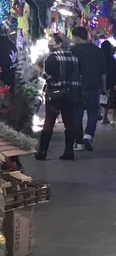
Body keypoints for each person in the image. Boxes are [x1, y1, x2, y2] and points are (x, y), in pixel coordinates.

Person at [32, 33, 81, 161]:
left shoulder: (52, 58)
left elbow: (50, 78)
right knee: (69, 122)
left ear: (59, 44)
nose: (50, 43)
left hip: (55, 95)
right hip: (70, 94)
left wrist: (39, 70)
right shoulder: (74, 58)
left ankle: (42, 152)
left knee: (49, 122)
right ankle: (69, 151)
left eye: (52, 41)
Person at [70, 26, 105, 152]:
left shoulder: (73, 50)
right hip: (93, 86)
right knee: (93, 113)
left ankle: (78, 142)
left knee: (77, 114)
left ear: (78, 38)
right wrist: (104, 88)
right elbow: (103, 71)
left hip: (77, 86)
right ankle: (88, 135)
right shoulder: (97, 50)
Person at [100, 40, 116, 125]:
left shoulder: (100, 59)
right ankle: (114, 118)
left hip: (103, 82)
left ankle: (104, 117)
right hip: (113, 82)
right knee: (113, 99)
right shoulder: (113, 61)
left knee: (103, 100)